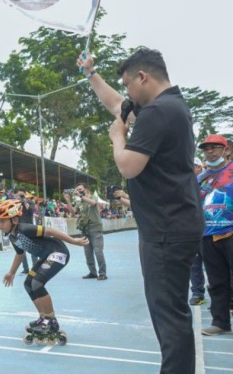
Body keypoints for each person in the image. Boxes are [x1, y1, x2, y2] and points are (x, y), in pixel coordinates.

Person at [78, 47, 204, 373]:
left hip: (166, 229)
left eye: (129, 84)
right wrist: (91, 73)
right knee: (172, 314)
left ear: (142, 77)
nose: (128, 94)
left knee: (169, 317)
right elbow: (115, 104)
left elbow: (129, 166)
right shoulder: (170, 106)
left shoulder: (158, 112)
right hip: (173, 225)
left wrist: (117, 137)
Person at [0, 200, 88, 344]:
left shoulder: (25, 229)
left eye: (3, 221)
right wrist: (11, 272)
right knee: (28, 283)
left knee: (37, 283)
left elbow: (50, 231)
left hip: (58, 252)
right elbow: (20, 254)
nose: (0, 225)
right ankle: (43, 318)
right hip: (46, 256)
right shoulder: (13, 237)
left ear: (14, 219)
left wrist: (73, 241)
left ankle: (51, 321)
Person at [197, 134, 233, 335]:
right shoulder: (200, 178)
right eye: (206, 148)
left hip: (231, 232)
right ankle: (220, 323)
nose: (210, 151)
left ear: (226, 150)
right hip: (208, 236)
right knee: (217, 282)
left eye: (215, 147)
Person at [63, 183, 107, 280]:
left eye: (80, 189)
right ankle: (92, 272)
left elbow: (93, 203)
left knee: (98, 251)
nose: (78, 191)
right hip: (85, 230)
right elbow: (73, 213)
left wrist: (80, 196)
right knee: (88, 253)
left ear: (86, 190)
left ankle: (102, 273)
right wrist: (68, 201)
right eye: (77, 190)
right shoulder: (80, 202)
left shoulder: (93, 197)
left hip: (95, 229)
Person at [189, 157, 207, 306]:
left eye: (195, 166)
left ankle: (224, 294)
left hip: (212, 228)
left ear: (200, 168)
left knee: (215, 265)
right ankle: (197, 292)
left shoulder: (209, 181)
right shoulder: (185, 183)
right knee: (194, 264)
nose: (192, 168)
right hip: (192, 229)